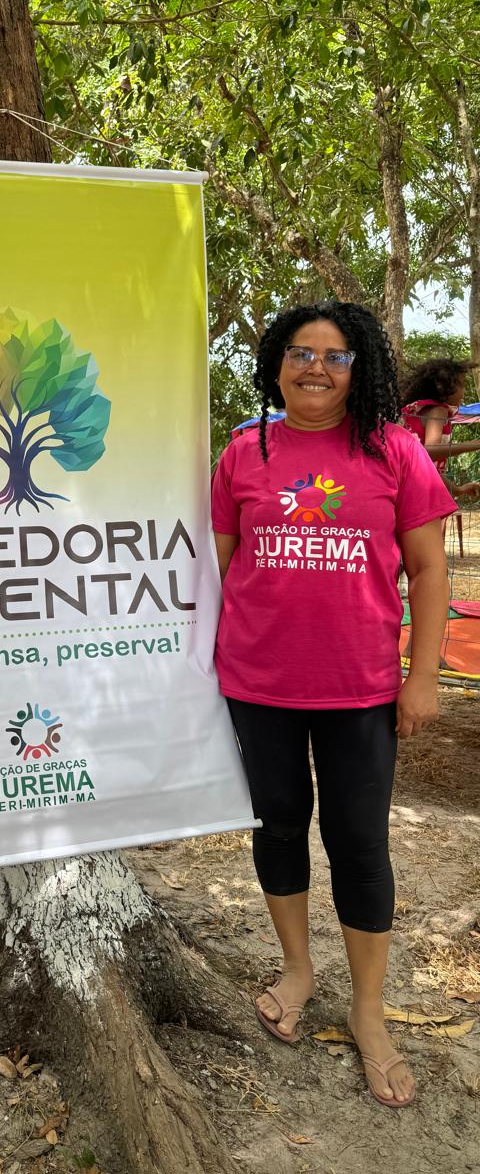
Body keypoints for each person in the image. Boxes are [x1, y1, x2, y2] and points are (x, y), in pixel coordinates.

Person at [211, 302, 455, 1108]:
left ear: (359, 369)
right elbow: (216, 569)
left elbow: (429, 570)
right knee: (278, 825)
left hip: (361, 689)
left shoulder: (394, 451)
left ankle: (368, 1012)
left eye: (335, 355)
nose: (316, 367)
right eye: (300, 352)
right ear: (276, 364)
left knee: (359, 844)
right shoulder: (243, 452)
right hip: (257, 685)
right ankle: (298, 969)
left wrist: (424, 676)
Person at [400, 357, 480, 500]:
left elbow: (428, 466)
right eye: (462, 385)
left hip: (404, 486)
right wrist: (474, 444)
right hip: (416, 491)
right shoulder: (438, 410)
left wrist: (457, 490)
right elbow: (428, 452)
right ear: (442, 387)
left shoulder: (418, 410)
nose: (465, 391)